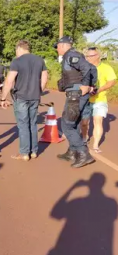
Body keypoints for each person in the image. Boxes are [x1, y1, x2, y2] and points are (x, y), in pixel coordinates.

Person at [0, 40, 48, 161]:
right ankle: (34, 151)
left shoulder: (17, 61)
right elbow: (44, 79)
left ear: (19, 48)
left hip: (21, 97)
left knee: (23, 125)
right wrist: (38, 91)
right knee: (32, 123)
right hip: (35, 96)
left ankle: (24, 153)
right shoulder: (39, 60)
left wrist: (3, 98)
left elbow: (9, 81)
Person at [54, 36, 97, 168]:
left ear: (62, 45)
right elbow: (91, 69)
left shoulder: (71, 55)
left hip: (76, 94)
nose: (57, 50)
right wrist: (91, 85)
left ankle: (84, 154)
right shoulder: (74, 55)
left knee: (66, 124)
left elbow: (88, 68)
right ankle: (72, 152)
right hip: (78, 94)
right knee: (75, 122)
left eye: (57, 47)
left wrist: (85, 85)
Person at [81, 47, 117, 153]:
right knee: (84, 123)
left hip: (100, 99)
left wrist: (99, 90)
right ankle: (84, 137)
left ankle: (96, 145)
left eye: (90, 56)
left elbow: (112, 81)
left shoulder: (106, 68)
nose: (88, 58)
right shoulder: (84, 67)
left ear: (97, 56)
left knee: (98, 121)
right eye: (87, 56)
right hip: (85, 99)